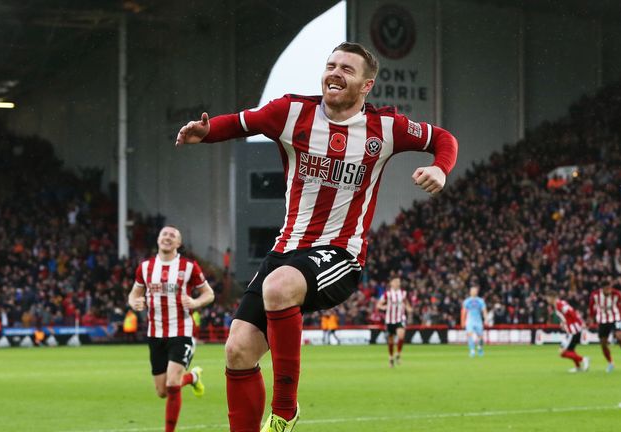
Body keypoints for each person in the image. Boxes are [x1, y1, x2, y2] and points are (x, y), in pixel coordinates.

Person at [176, 41, 458, 431]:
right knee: (238, 349)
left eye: (347, 69)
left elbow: (443, 138)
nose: (335, 73)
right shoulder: (291, 113)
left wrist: (441, 169)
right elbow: (244, 122)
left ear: (366, 85)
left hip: (341, 254)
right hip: (286, 249)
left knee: (278, 288)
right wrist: (206, 132)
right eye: (331, 65)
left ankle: (286, 411)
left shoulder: (385, 128)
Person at [128, 226, 215, 432]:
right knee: (162, 391)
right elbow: (134, 294)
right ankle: (193, 377)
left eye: (172, 236)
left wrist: (194, 303)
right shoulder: (145, 267)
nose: (167, 238)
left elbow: (208, 294)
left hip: (181, 331)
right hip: (155, 333)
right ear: (158, 240)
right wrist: (135, 303)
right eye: (164, 234)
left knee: (172, 382)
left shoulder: (189, 267)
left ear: (178, 244)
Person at [588, 277, 621, 372]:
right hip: (602, 320)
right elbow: (591, 307)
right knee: (603, 344)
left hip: (616, 318)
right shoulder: (595, 295)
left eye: (610, 288)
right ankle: (610, 363)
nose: (609, 290)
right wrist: (591, 318)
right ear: (602, 289)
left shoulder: (617, 294)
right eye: (607, 289)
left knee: (620, 338)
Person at [545, 290, 589, 373]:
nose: (547, 300)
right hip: (572, 331)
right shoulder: (559, 304)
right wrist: (563, 323)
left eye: (548, 298)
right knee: (571, 351)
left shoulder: (559, 304)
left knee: (562, 352)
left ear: (552, 298)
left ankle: (583, 359)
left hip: (573, 331)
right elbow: (567, 315)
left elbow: (571, 312)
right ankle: (578, 367)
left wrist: (580, 322)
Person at [376, 276, 412, 367]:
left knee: (401, 335)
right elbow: (378, 305)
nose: (397, 283)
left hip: (400, 318)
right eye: (395, 281)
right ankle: (391, 358)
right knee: (391, 341)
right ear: (391, 283)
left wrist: (408, 308)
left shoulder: (403, 293)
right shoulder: (387, 294)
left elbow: (406, 303)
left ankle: (398, 354)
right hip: (389, 320)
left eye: (398, 282)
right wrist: (383, 307)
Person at [461, 286, 487, 358]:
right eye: (472, 291)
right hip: (470, 321)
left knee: (480, 336)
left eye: (475, 291)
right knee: (469, 335)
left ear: (477, 292)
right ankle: (472, 350)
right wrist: (462, 321)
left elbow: (484, 310)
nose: (474, 292)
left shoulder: (480, 300)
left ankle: (480, 349)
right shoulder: (466, 301)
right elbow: (464, 311)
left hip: (478, 321)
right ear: (470, 292)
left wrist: (486, 318)